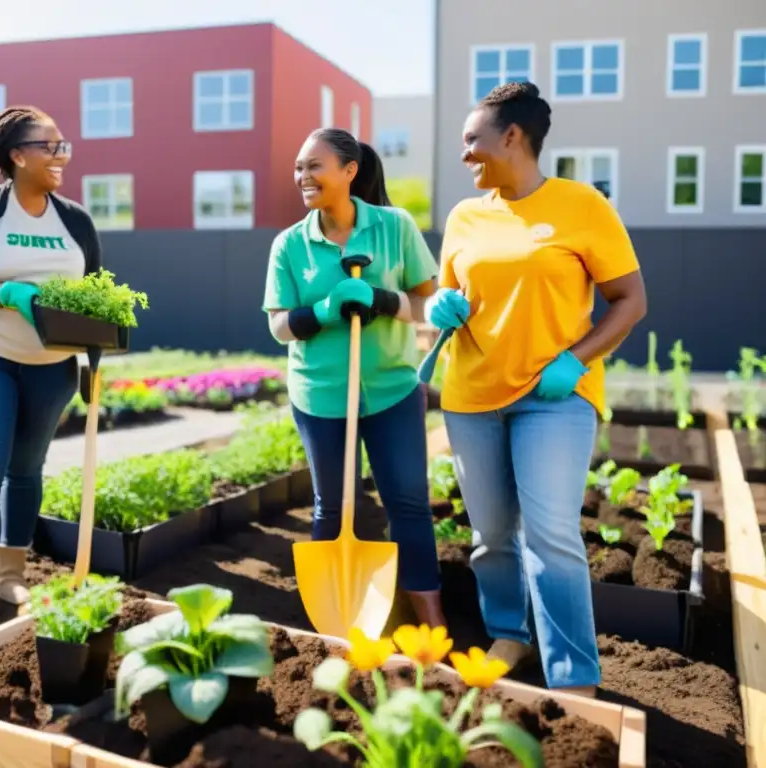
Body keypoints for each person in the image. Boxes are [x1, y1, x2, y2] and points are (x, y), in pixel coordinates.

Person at [427, 81, 647, 696]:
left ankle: (574, 675)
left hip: (553, 397)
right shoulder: (465, 216)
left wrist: (576, 362)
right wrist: (441, 308)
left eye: (473, 141)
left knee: (551, 535)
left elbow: (630, 301)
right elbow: (451, 300)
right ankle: (510, 634)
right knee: (491, 535)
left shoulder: (583, 207)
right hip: (472, 395)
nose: (466, 154)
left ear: (513, 137)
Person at [262, 128, 446, 629]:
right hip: (320, 397)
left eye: (314, 166)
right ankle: (336, 624)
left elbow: (428, 304)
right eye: (298, 167)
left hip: (391, 389)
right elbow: (279, 325)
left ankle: (432, 622)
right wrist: (323, 310)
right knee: (332, 506)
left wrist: (385, 302)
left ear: (350, 171)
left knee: (408, 503)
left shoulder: (394, 226)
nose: (303, 176)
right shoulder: (290, 245)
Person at [0, 106, 102, 638]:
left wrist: (95, 360)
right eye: (50, 147)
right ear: (18, 154)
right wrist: (6, 293)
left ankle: (11, 578)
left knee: (27, 470)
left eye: (63, 146)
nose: (61, 156)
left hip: (51, 370)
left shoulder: (73, 219)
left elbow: (96, 293)